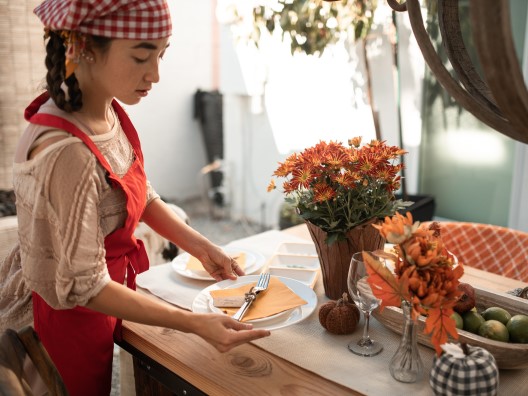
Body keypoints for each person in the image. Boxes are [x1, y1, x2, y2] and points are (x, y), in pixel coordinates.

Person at [0, 1, 270, 394]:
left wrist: (200, 246)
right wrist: (197, 323)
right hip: (60, 324)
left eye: (161, 54)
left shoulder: (101, 108)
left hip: (100, 302)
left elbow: (134, 194)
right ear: (85, 47)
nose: (156, 74)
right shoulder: (67, 152)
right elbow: (85, 286)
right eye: (142, 55)